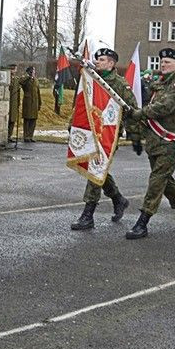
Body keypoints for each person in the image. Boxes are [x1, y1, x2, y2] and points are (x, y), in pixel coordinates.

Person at [123, 47, 175, 240]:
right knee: (165, 180)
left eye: (168, 62)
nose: (163, 65)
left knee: (156, 181)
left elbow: (164, 107)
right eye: (162, 62)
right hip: (155, 139)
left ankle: (143, 222)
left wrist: (140, 113)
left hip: (169, 140)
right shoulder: (160, 83)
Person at [69, 48, 139, 231]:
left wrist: (134, 134)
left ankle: (88, 214)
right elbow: (83, 102)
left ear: (111, 63)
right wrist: (73, 124)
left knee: (96, 167)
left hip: (108, 134)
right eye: (97, 59)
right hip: (91, 131)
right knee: (100, 169)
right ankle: (118, 199)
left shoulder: (120, 84)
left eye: (101, 60)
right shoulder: (91, 79)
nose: (97, 62)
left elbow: (132, 109)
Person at [18, 66, 41, 142]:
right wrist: (28, 77)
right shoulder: (25, 80)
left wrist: (40, 103)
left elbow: (38, 93)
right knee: (27, 120)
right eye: (32, 71)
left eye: (34, 71)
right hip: (27, 103)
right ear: (28, 72)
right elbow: (20, 82)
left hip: (35, 103)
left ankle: (31, 136)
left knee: (33, 120)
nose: (33, 72)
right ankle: (26, 136)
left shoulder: (36, 81)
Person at [7, 64, 21, 143]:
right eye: (14, 69)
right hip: (8, 102)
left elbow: (18, 92)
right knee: (8, 120)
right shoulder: (7, 78)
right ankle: (5, 135)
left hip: (14, 103)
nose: (15, 71)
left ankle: (9, 135)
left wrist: (18, 102)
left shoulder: (16, 79)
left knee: (12, 120)